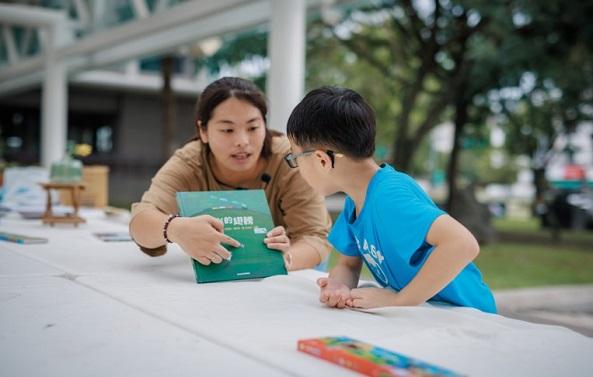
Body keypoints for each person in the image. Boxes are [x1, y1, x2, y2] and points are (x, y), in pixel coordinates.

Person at [284, 86, 496, 313]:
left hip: (467, 315)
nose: (297, 168)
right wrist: (339, 285)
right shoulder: (354, 202)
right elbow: (348, 264)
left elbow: (463, 244)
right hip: (428, 314)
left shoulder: (389, 196)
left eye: (295, 158)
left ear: (322, 160)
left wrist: (398, 300)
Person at [129, 77, 332, 270]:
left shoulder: (291, 160)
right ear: (203, 131)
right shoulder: (189, 162)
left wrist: (283, 259)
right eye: (227, 130)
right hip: (221, 266)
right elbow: (141, 222)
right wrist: (175, 229)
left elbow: (315, 236)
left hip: (293, 264)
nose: (242, 141)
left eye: (253, 127)